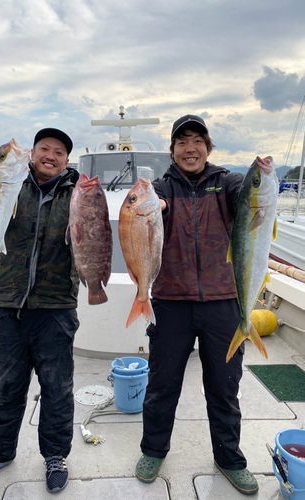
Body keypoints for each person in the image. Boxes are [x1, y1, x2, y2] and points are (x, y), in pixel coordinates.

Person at [135, 115, 259, 495]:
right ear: (172, 150)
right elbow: (148, 212)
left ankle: (229, 457)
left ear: (208, 147)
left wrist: (260, 185)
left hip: (224, 301)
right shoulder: (161, 188)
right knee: (161, 384)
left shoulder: (228, 182)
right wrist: (154, 206)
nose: (190, 149)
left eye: (197, 141)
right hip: (170, 302)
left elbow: (249, 202)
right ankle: (154, 450)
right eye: (182, 142)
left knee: (224, 387)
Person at [0, 128, 80, 494]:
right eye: (44, 148)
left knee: (57, 390)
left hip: (56, 308)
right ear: (32, 154)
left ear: (66, 160)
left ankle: (56, 456)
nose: (51, 155)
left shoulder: (77, 195)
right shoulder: (11, 186)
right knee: (7, 388)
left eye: (59, 151)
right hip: (8, 305)